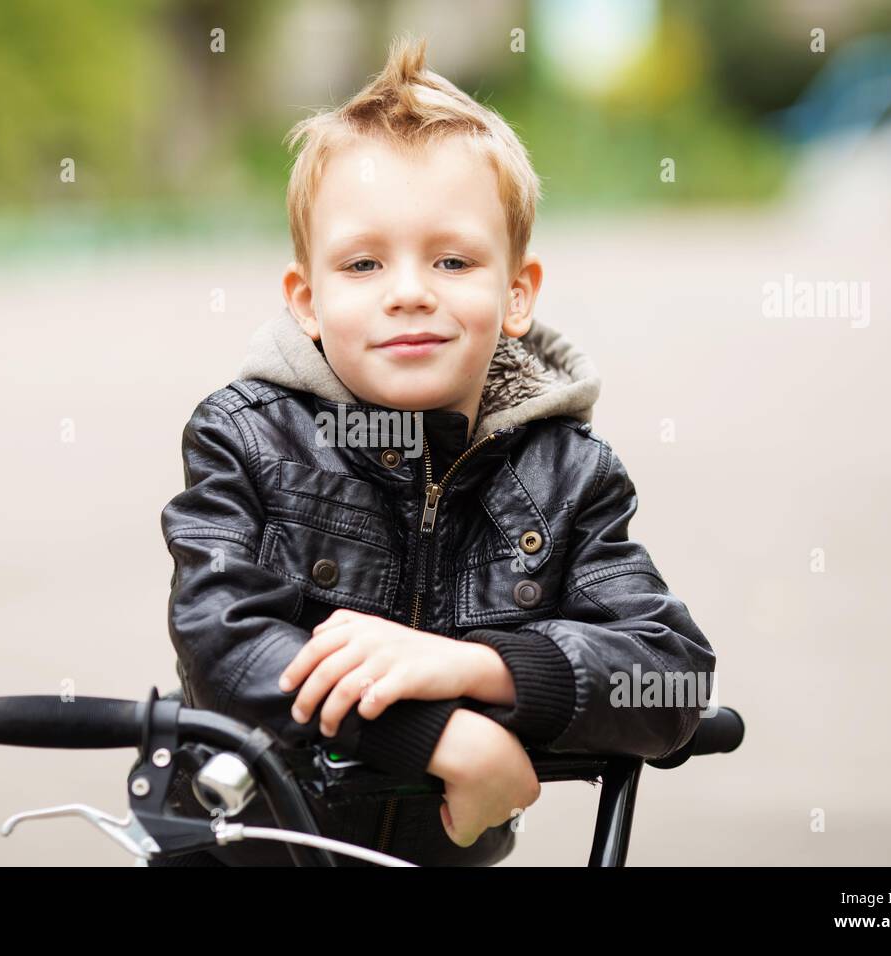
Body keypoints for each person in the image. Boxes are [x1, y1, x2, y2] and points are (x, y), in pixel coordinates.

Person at [156, 33, 715, 867]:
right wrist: (437, 735)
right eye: (363, 263)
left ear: (516, 293)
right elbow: (223, 643)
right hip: (240, 850)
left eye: (452, 259)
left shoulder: (567, 475)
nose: (410, 290)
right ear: (306, 301)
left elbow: (670, 674)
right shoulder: (245, 439)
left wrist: (476, 666)